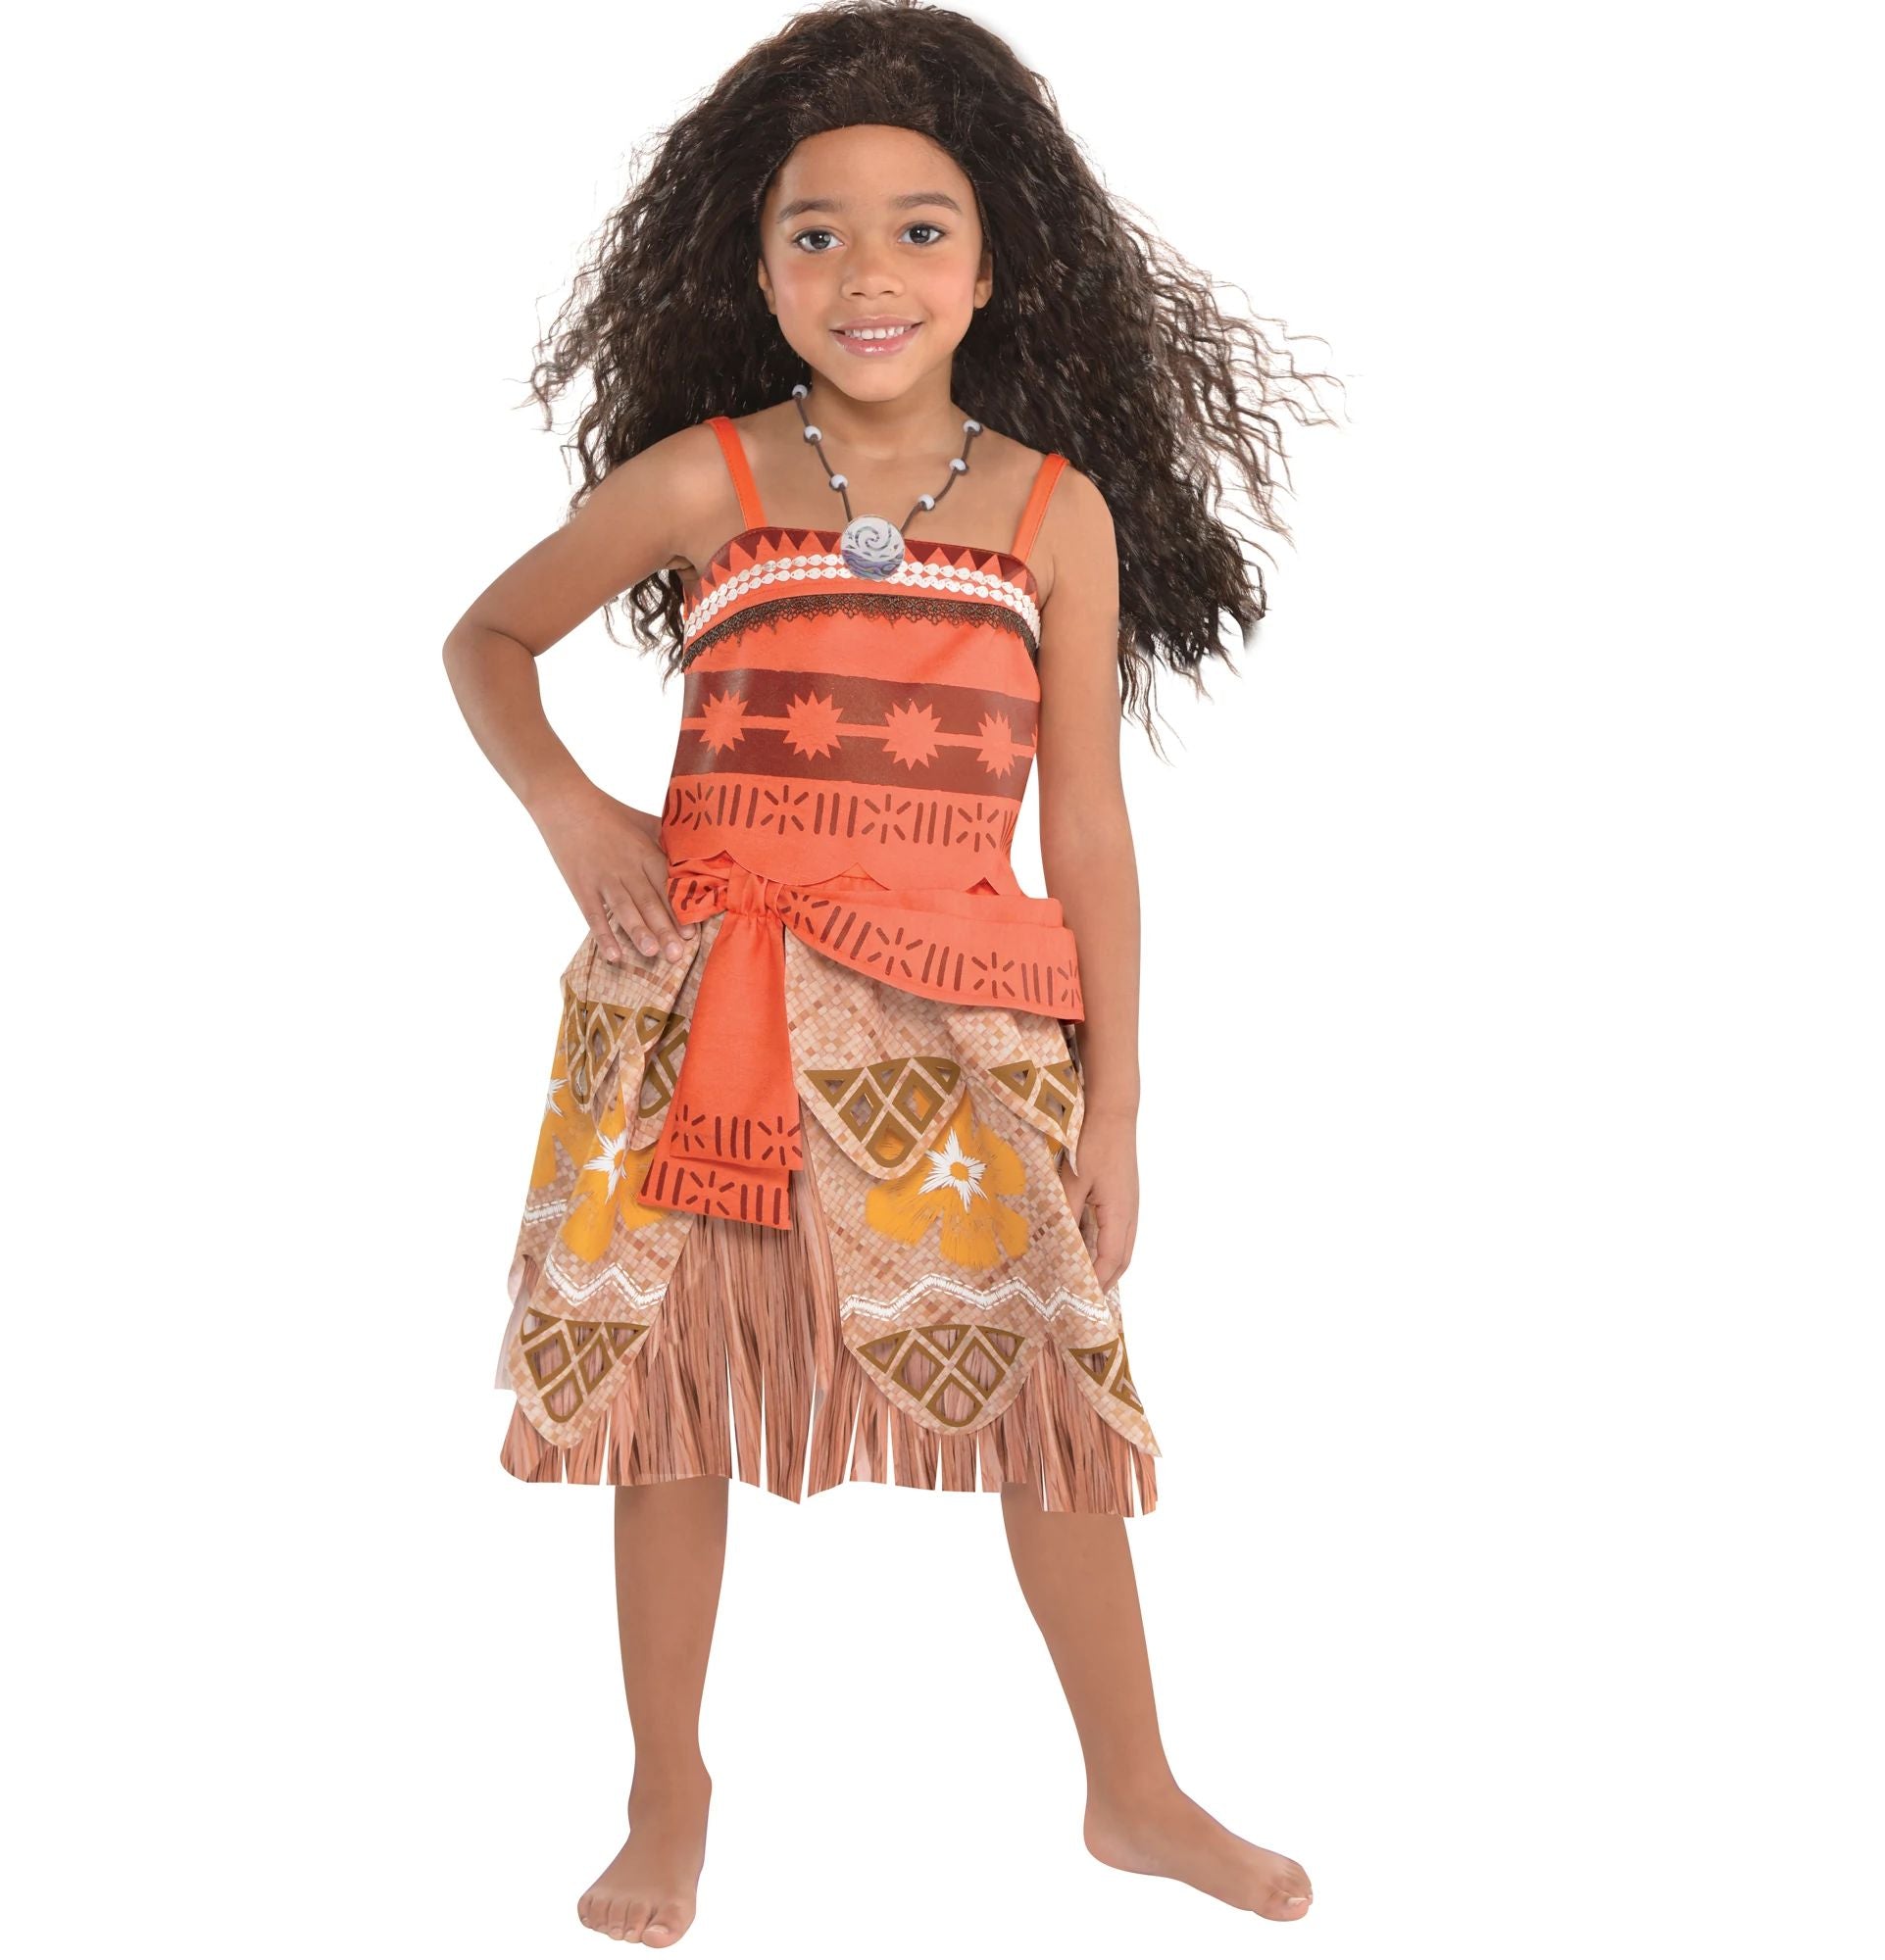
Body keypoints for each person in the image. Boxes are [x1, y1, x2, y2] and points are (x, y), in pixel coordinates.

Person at [442, 3, 1340, 1943]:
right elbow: (486, 642)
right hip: (708, 1001)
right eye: (818, 232)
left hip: (960, 1001)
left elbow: (1087, 822)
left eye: (920, 230)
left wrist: (1116, 1101)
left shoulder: (1053, 512)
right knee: (674, 1391)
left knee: (1053, 1379)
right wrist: (578, 817)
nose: (870, 272)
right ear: (758, 270)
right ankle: (666, 1785)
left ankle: (1132, 1786)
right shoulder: (705, 479)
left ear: (994, 266)